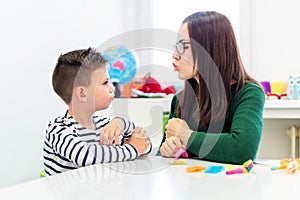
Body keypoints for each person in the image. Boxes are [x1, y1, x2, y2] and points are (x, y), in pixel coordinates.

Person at [158, 11, 265, 164]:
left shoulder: (248, 93)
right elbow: (163, 155)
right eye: (176, 46)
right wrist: (167, 150)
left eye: (183, 46)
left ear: (209, 49)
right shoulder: (180, 99)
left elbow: (243, 150)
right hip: (190, 184)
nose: (175, 55)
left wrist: (187, 136)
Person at [44, 47, 151, 176]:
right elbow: (85, 156)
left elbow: (145, 145)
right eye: (105, 83)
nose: (112, 88)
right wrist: (133, 149)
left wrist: (122, 123)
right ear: (82, 93)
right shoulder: (58, 130)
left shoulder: (104, 126)